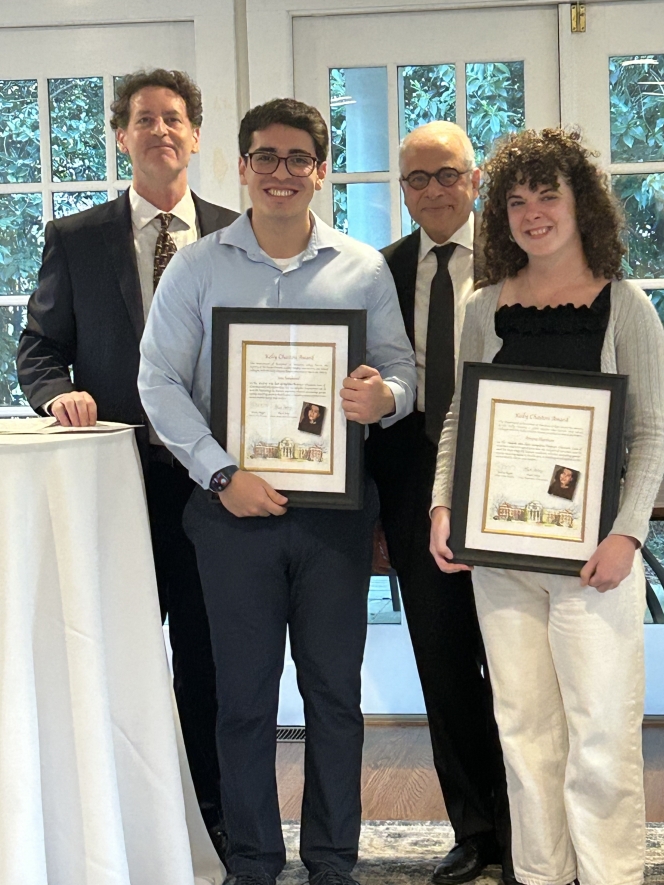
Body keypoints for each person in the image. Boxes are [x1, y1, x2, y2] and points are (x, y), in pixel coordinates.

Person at [138, 98, 416, 885]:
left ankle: (333, 860)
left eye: (299, 158)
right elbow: (157, 381)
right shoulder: (197, 266)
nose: (282, 172)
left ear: (320, 170)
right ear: (242, 166)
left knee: (334, 697)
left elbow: (402, 371)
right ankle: (254, 861)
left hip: (333, 518)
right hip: (229, 515)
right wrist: (222, 472)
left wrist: (382, 399)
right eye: (266, 157)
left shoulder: (361, 268)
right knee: (243, 699)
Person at [430, 128, 664, 885]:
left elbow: (651, 434)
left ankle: (608, 875)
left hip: (595, 561)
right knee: (525, 732)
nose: (533, 213)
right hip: (501, 560)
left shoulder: (627, 305)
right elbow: (460, 421)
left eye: (548, 196)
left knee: (600, 733)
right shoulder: (482, 307)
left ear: (581, 204)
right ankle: (538, 874)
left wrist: (627, 534)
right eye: (517, 201)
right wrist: (444, 507)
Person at [16, 68, 238, 857]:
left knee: (211, 656)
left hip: (213, 485)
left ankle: (211, 814)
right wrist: (55, 396)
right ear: (121, 135)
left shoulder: (233, 235)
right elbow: (39, 349)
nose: (160, 131)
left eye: (174, 118)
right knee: (119, 651)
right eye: (143, 119)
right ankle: (121, 820)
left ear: (196, 133)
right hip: (115, 486)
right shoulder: (76, 239)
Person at [366, 121, 514, 885]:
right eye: (417, 179)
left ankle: (530, 827)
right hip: (414, 487)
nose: (432, 190)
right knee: (444, 662)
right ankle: (474, 827)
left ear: (476, 177)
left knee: (518, 662)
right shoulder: (379, 270)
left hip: (509, 478)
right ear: (402, 188)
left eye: (446, 174)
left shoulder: (521, 258)